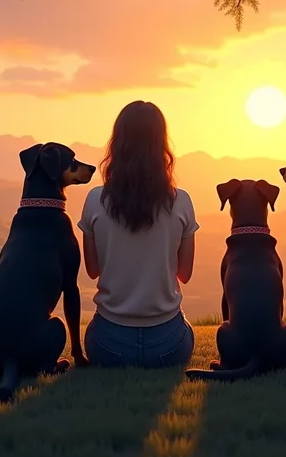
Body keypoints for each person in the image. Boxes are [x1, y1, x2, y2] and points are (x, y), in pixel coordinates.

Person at [78, 101, 198, 368]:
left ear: (117, 144)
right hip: (169, 344)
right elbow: (185, 274)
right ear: (161, 146)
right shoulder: (182, 202)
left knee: (95, 333)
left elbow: (93, 269)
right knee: (185, 328)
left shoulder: (95, 200)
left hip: (108, 344)